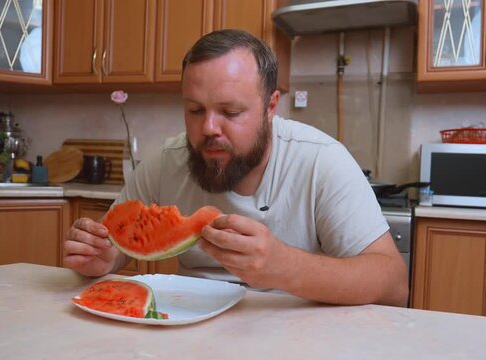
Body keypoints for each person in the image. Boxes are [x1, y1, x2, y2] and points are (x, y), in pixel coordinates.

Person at [64, 29, 408, 306]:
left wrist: (285, 267)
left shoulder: (321, 160)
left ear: (271, 106)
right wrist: (103, 258)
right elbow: (116, 246)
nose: (208, 128)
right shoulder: (166, 161)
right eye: (195, 111)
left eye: (230, 112)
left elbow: (394, 283)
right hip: (191, 334)